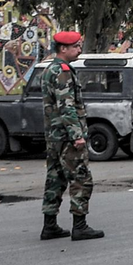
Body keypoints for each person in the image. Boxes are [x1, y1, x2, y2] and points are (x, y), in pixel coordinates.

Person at [40, 31, 104, 241]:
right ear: (63, 49)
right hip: (68, 138)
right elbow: (66, 106)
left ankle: (49, 225)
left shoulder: (49, 69)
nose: (78, 49)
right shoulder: (62, 72)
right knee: (81, 179)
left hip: (54, 136)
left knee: (55, 179)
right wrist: (77, 135)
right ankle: (80, 226)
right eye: (75, 46)